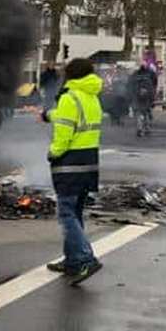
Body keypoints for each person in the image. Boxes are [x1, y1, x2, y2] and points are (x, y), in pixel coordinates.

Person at [45, 58, 104, 284]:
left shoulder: (69, 98)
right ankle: (72, 261)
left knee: (66, 214)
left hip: (70, 163)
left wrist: (53, 153)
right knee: (76, 212)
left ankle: (85, 258)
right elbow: (73, 118)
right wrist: (48, 115)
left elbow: (64, 133)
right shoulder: (91, 97)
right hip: (89, 162)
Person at [132, 64, 158, 138]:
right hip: (146, 99)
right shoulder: (148, 79)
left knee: (138, 113)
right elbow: (152, 91)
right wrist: (152, 101)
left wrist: (131, 98)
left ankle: (139, 128)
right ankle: (147, 128)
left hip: (137, 97)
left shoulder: (135, 76)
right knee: (146, 113)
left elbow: (131, 87)